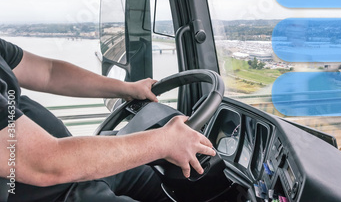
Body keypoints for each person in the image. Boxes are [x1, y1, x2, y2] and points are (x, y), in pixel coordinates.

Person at [0, 38, 215, 201]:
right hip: (53, 193)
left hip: (76, 172)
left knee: (154, 179)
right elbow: (44, 163)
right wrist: (164, 142)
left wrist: (128, 89)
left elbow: (49, 72)